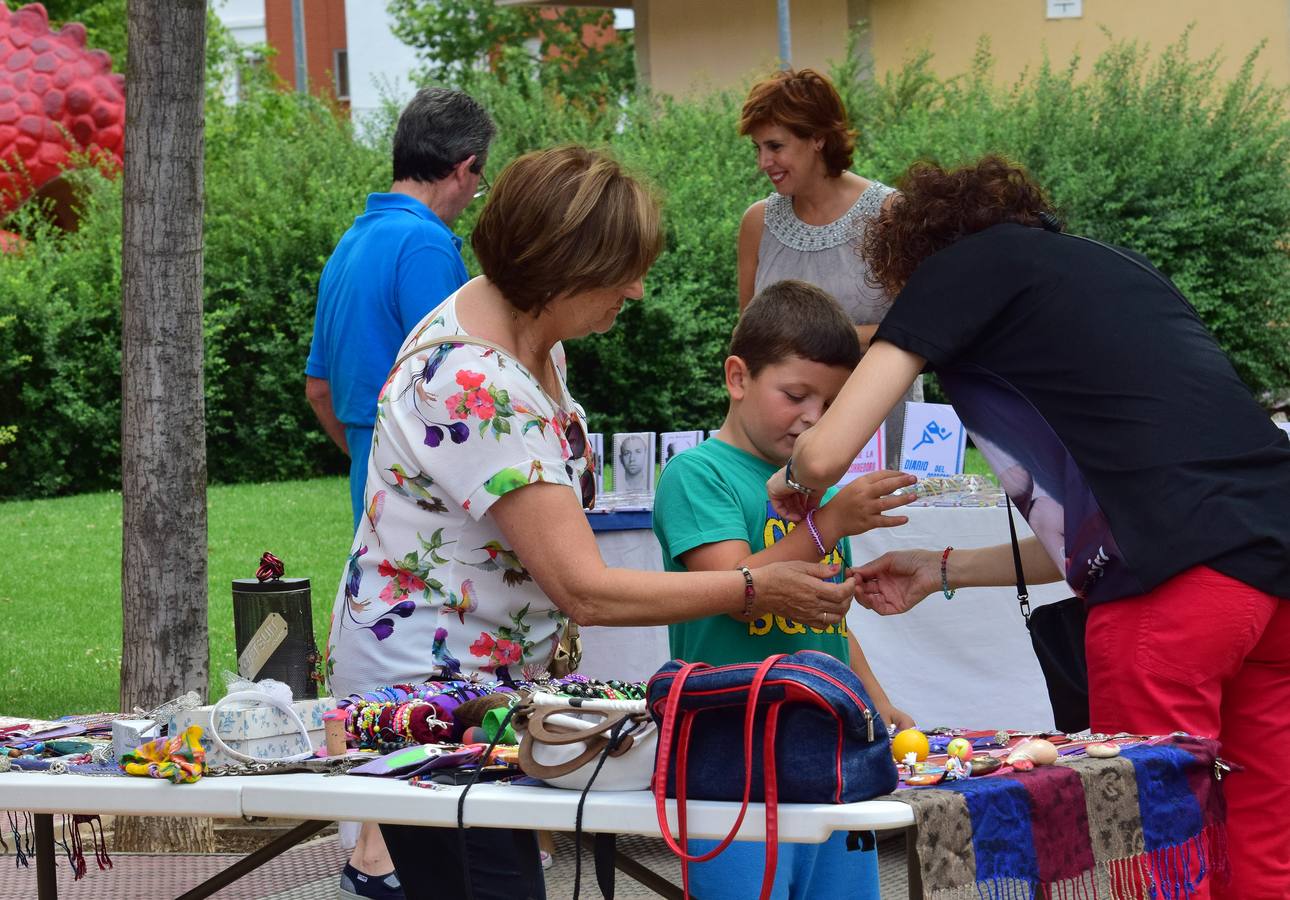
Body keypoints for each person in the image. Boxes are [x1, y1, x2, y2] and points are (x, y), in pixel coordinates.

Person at [325, 145, 858, 900]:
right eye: (621, 272)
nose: (637, 290)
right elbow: (589, 591)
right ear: (559, 271)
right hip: (434, 697)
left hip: (489, 691)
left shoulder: (531, 340)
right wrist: (753, 587)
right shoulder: (479, 383)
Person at [768, 156, 1290, 900]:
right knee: (1264, 846)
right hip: (1270, 580)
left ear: (917, 253)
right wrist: (941, 567)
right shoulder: (1113, 269)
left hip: (1171, 603)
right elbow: (1103, 534)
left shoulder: (958, 272)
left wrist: (789, 480)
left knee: (1151, 855)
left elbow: (822, 452)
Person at [653, 279, 915, 900]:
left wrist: (875, 703)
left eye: (832, 405)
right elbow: (733, 586)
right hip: (729, 759)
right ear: (738, 377)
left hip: (828, 751)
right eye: (796, 395)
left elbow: (830, 621)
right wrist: (831, 523)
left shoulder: (819, 497)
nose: (813, 420)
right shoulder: (698, 474)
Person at [306, 87, 495, 532]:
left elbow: (319, 390)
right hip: (427, 494)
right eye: (479, 180)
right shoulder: (425, 243)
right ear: (465, 168)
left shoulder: (349, 244)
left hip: (371, 485)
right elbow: (455, 386)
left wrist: (375, 458)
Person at [736, 68, 921, 468]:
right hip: (784, 436)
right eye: (758, 148)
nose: (764, 162)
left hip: (877, 425)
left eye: (775, 146)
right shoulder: (757, 223)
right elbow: (746, 343)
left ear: (818, 138)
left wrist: (820, 343)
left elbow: (921, 333)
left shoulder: (891, 215)